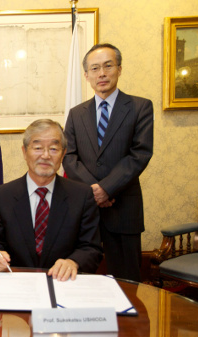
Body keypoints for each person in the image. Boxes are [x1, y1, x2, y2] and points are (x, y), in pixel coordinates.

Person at [63, 43, 154, 282]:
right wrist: (94, 191)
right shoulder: (76, 113)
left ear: (119, 69)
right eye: (94, 68)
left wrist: (106, 188)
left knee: (127, 282)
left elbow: (140, 154)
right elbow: (68, 157)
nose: (101, 73)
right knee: (80, 279)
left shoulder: (140, 107)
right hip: (85, 209)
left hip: (123, 208)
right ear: (87, 75)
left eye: (107, 66)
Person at [0, 119, 102, 281]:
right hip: (16, 284)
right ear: (24, 152)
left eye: (53, 148)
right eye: (38, 148)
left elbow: (92, 248)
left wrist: (73, 262)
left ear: (63, 154)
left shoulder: (82, 195)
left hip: (64, 284)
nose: (45, 155)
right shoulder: (1, 196)